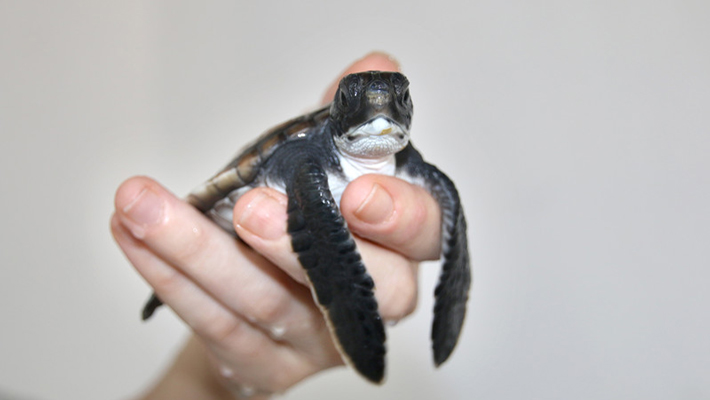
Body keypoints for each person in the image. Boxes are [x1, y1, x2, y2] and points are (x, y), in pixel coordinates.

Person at [111, 52, 445, 399]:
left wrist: (213, 380)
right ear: (341, 108)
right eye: (355, 99)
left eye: (399, 98)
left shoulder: (408, 161)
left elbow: (450, 231)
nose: (379, 107)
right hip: (279, 173)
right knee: (321, 228)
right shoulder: (308, 157)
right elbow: (326, 245)